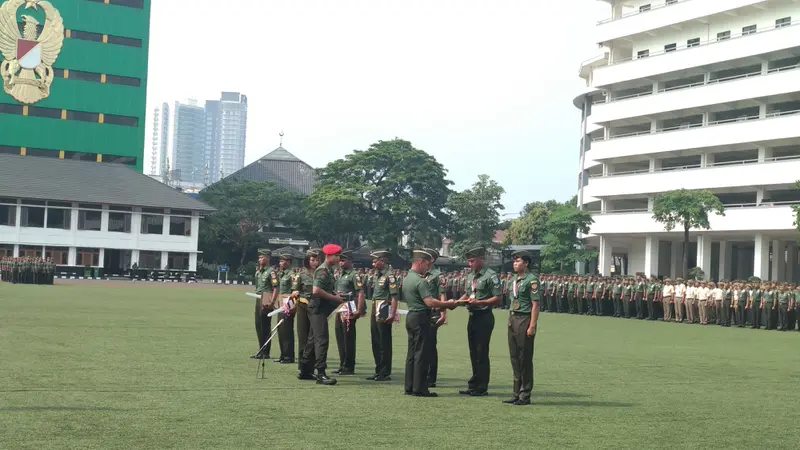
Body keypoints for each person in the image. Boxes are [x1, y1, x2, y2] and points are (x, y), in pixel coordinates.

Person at [403, 249, 460, 397]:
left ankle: (409, 385)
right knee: (422, 353)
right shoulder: (419, 281)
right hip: (421, 317)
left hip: (411, 316)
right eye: (427, 264)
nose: (428, 268)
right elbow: (429, 301)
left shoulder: (407, 278)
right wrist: (447, 304)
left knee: (412, 353)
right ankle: (420, 388)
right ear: (420, 262)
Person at [298, 244, 345, 385]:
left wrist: (336, 294)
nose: (338, 258)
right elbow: (316, 291)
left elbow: (325, 289)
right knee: (322, 339)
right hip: (317, 307)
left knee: (313, 340)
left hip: (319, 307)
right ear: (329, 256)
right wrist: (334, 298)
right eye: (336, 256)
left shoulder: (328, 270)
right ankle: (321, 373)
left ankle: (305, 370)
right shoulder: (323, 270)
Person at [459, 247, 502, 397]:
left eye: (472, 261)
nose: (469, 264)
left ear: (480, 259)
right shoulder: (471, 276)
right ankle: (474, 384)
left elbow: (497, 298)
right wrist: (458, 301)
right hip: (473, 316)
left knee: (481, 351)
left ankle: (482, 386)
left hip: (484, 316)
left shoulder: (491, 275)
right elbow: (468, 293)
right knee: (473, 352)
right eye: (468, 261)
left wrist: (479, 302)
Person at [504, 250, 540, 406]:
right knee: (514, 357)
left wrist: (532, 325)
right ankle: (516, 393)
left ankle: (525, 394)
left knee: (524, 358)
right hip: (513, 318)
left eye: (518, 261)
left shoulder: (532, 280)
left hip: (524, 318)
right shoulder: (513, 279)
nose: (514, 263)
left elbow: (535, 304)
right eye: (514, 261)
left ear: (526, 263)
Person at [366, 250, 399, 382]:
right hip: (375, 307)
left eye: (375, 261)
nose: (373, 264)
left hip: (384, 308)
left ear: (383, 261)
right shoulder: (377, 276)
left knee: (384, 340)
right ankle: (378, 369)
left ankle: (385, 372)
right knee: (375, 340)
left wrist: (393, 314)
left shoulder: (390, 276)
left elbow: (395, 297)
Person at [333, 250, 365, 375]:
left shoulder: (354, 275)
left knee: (348, 337)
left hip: (349, 307)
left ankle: (349, 366)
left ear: (350, 261)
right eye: (339, 260)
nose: (340, 263)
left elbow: (360, 293)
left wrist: (359, 310)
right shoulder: (341, 274)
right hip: (339, 307)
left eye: (343, 260)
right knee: (340, 336)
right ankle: (342, 364)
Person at [292, 249, 321, 370]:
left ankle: (312, 365)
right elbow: (294, 291)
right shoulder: (301, 275)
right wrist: (295, 292)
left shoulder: (323, 274)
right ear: (307, 260)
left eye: (317, 260)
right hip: (303, 306)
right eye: (312, 260)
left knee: (315, 337)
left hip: (317, 307)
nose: (315, 262)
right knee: (303, 336)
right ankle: (303, 366)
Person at [424, 248, 447, 387]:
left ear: (431, 259)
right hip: (421, 312)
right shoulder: (420, 273)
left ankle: (430, 377)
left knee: (430, 345)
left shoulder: (437, 275)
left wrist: (443, 314)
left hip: (433, 313)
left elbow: (442, 295)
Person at [252, 249, 276, 359]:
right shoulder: (258, 272)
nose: (260, 259)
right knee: (258, 325)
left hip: (267, 298)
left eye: (262, 257)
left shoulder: (271, 272)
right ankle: (260, 349)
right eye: (259, 257)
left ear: (268, 258)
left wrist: (272, 302)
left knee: (265, 326)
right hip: (259, 298)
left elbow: (276, 288)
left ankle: (266, 352)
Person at [274, 253, 296, 364]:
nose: (280, 263)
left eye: (282, 261)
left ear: (288, 262)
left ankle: (289, 356)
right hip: (281, 304)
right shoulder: (282, 274)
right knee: (281, 329)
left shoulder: (292, 275)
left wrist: (291, 306)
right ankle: (283, 354)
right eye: (280, 261)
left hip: (288, 304)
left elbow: (294, 291)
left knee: (287, 330)